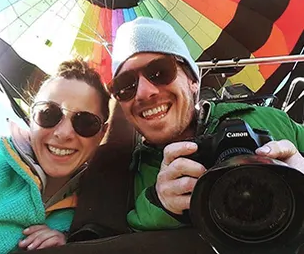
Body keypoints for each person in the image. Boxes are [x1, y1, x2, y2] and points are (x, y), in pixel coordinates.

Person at [110, 17, 304, 231]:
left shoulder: (273, 120)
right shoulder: (122, 176)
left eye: (159, 72)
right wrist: (159, 205)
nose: (144, 92)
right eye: (125, 85)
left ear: (193, 80)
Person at [0, 60, 111, 253]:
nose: (63, 133)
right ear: (31, 117)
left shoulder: (95, 213)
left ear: (102, 133)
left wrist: (67, 246)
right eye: (48, 114)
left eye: (85, 122)